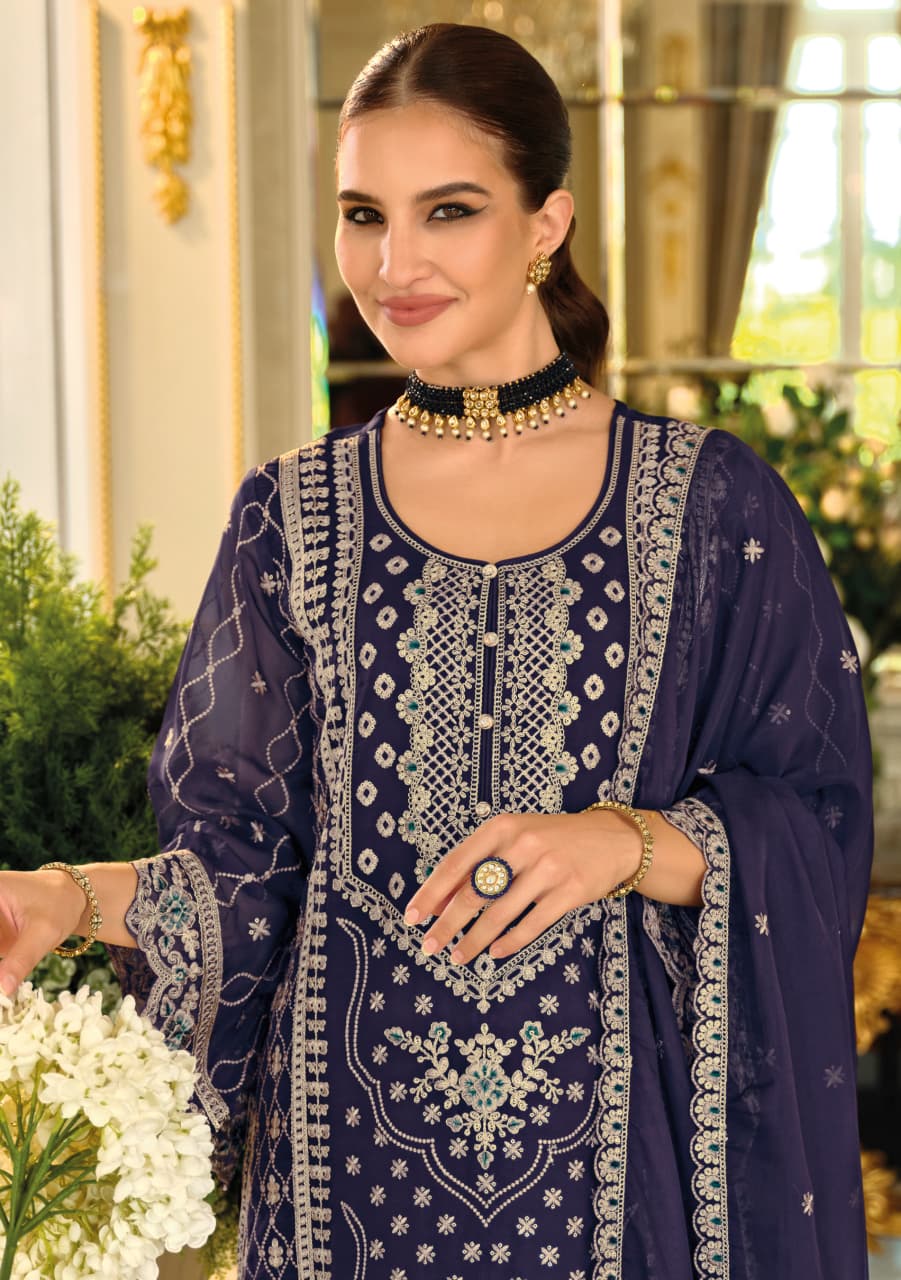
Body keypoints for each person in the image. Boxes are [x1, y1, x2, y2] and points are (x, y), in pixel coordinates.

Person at [0, 22, 873, 1280]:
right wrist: (66, 894)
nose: (392, 262)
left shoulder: (712, 507)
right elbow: (241, 867)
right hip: (345, 1190)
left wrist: (621, 838)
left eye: (447, 211)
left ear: (544, 224)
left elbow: (818, 818)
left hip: (625, 1199)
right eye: (363, 213)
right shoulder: (290, 518)